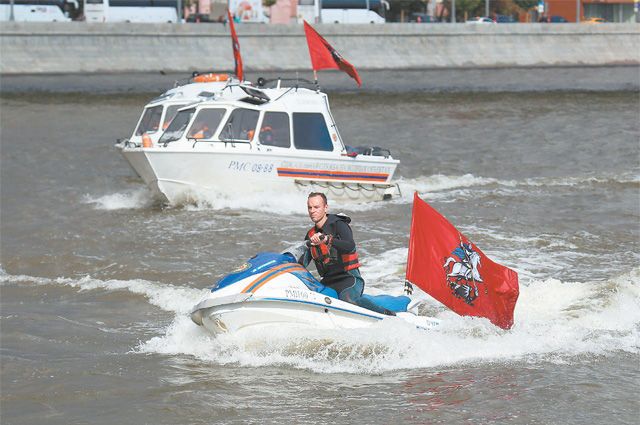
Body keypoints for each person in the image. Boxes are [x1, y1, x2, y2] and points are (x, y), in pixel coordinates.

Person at [300, 192, 395, 316]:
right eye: (310, 208)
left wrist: (327, 239)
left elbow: (350, 246)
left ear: (325, 208)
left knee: (348, 301)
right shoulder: (311, 235)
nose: (312, 211)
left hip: (349, 278)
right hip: (328, 281)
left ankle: (388, 315)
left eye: (316, 207)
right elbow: (302, 263)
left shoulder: (339, 225)